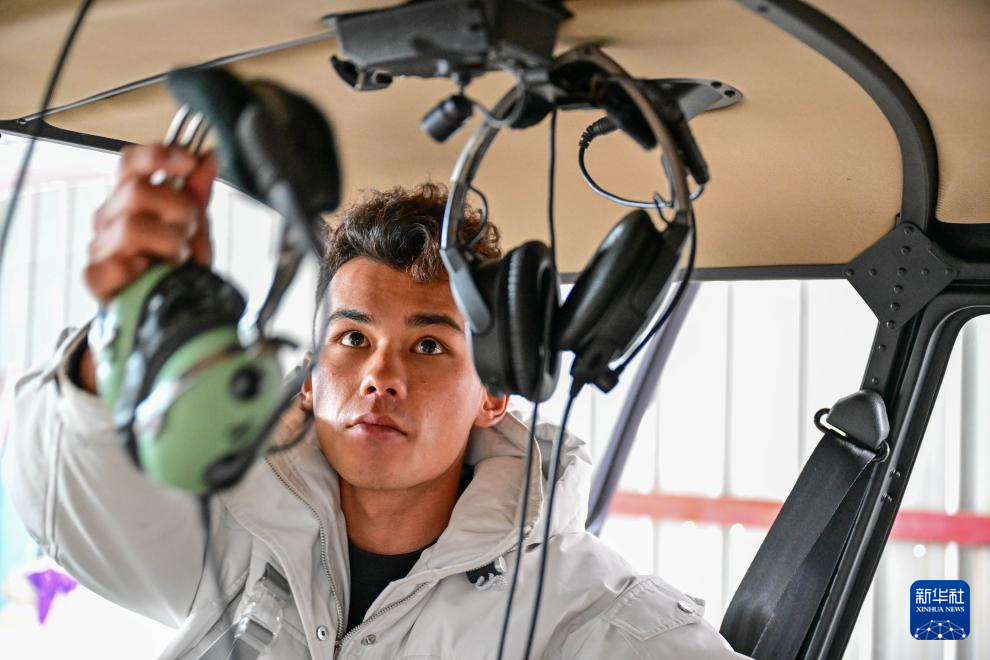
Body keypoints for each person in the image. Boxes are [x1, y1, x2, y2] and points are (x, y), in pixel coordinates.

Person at [3, 144, 749, 658]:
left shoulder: (597, 620)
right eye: (353, 338)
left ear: (493, 394)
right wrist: (121, 333)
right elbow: (65, 494)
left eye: (429, 346)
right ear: (308, 374)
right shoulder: (236, 532)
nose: (380, 377)